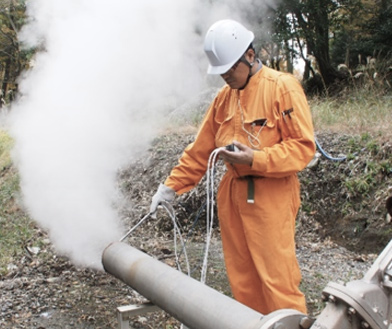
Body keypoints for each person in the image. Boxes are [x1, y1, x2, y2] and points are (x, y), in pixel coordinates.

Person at [150, 19, 315, 315]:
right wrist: (170, 187)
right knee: (242, 279)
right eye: (221, 72)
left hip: (271, 195)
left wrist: (255, 158)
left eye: (230, 69)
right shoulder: (223, 99)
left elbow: (302, 148)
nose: (225, 77)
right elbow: (200, 151)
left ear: (250, 56)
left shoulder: (283, 88)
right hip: (232, 196)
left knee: (277, 280)